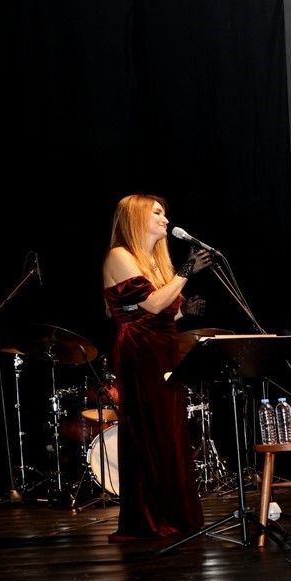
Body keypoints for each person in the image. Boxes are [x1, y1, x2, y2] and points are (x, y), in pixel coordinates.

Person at [101, 194, 209, 541]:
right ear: (135, 218)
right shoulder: (120, 255)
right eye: (157, 213)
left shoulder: (151, 261)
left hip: (162, 348)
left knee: (168, 430)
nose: (165, 219)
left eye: (165, 212)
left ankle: (174, 513)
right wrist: (185, 272)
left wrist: (184, 312)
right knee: (150, 430)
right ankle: (150, 517)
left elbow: (164, 311)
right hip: (140, 350)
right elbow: (150, 303)